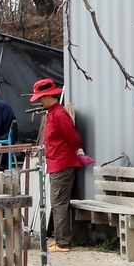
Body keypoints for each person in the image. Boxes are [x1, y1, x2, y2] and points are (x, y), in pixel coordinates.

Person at [31, 78, 82, 253]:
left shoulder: (59, 113)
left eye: (39, 97)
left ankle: (63, 242)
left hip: (62, 163)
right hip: (56, 163)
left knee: (59, 202)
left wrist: (75, 152)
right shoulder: (53, 113)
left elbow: (74, 138)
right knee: (58, 202)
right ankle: (61, 239)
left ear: (46, 96)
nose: (38, 101)